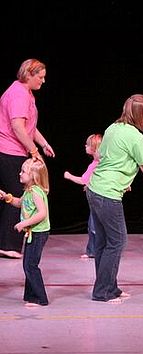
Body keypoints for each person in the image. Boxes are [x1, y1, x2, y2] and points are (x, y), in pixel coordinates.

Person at [86, 94, 143, 303]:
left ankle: (110, 288)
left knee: (104, 242)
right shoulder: (135, 136)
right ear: (137, 113)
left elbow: (108, 158)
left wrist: (124, 180)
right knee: (118, 241)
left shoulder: (112, 128)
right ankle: (102, 291)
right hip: (107, 194)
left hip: (95, 189)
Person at [0, 59, 55, 259]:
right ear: (28, 75)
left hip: (13, 149)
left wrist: (43, 143)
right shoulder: (18, 94)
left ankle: (7, 243)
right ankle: (8, 244)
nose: (43, 81)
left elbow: (29, 125)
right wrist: (33, 152)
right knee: (18, 194)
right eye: (40, 77)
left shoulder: (25, 93)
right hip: (9, 150)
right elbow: (17, 127)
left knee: (12, 193)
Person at [0, 158, 51, 306]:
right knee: (28, 264)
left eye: (23, 171)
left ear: (33, 176)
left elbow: (42, 213)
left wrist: (24, 223)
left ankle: (41, 298)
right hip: (32, 233)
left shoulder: (36, 192)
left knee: (30, 265)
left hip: (38, 232)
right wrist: (7, 198)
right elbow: (20, 203)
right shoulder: (28, 191)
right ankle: (31, 296)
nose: (20, 173)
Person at [64, 133, 103, 258]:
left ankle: (94, 251)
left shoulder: (96, 165)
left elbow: (83, 180)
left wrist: (69, 176)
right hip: (98, 199)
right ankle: (95, 250)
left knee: (94, 226)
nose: (85, 146)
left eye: (88, 144)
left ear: (94, 148)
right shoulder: (98, 163)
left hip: (98, 201)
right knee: (95, 225)